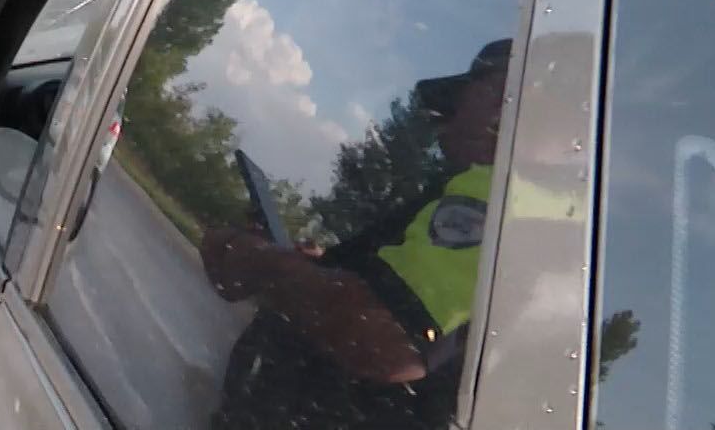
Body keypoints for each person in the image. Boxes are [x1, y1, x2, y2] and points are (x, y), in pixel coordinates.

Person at [201, 40, 511, 429]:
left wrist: (261, 262)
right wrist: (321, 272)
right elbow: (384, 297)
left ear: (506, 107)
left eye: (467, 94)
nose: (444, 116)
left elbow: (390, 341)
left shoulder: (497, 199)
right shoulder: (472, 197)